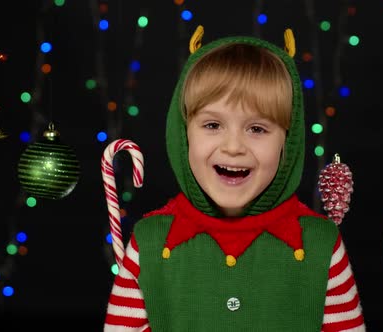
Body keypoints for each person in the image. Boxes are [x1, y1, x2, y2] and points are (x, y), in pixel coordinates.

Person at [103, 26, 365, 332]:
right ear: (184, 133)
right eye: (213, 124)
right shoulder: (149, 242)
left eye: (257, 129)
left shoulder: (321, 244)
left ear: (288, 141)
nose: (233, 147)